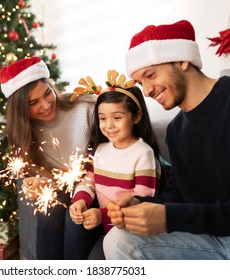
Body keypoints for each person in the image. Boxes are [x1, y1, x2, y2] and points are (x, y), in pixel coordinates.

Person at [104, 19, 230, 260]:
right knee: (119, 241)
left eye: (150, 75)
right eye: (140, 83)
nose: (146, 91)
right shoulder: (176, 130)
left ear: (182, 60)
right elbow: (179, 196)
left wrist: (169, 218)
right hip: (207, 236)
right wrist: (141, 203)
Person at [0, 56, 98, 260]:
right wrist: (35, 183)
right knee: (49, 211)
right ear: (20, 109)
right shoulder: (24, 133)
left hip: (95, 186)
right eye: (33, 102)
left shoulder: (85, 106)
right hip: (60, 190)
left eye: (47, 93)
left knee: (76, 220)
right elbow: (40, 177)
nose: (45, 105)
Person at [69, 70, 163, 259]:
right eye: (103, 118)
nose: (109, 125)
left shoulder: (143, 153)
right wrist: (80, 199)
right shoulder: (101, 149)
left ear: (136, 117)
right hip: (104, 227)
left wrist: (101, 215)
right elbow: (89, 181)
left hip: (130, 233)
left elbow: (142, 201)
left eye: (117, 118)